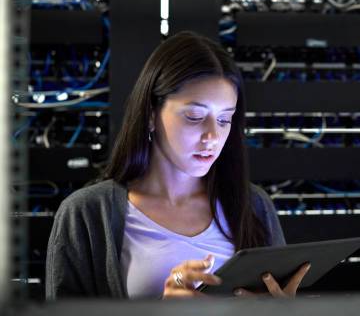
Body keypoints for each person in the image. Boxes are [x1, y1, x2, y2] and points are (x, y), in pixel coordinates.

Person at [45, 31, 310, 299]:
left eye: (224, 119)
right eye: (195, 117)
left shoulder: (254, 206)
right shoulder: (86, 213)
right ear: (150, 115)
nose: (213, 137)